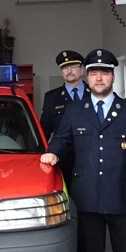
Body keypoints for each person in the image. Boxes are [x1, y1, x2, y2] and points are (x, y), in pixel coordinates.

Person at [41, 49, 126, 252]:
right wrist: (51, 154)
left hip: (124, 197)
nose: (98, 78)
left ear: (112, 77)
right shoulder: (75, 110)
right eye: (93, 73)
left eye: (104, 73)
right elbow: (62, 139)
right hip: (87, 194)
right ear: (87, 77)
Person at [40, 50, 90, 186]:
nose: (69, 71)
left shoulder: (94, 93)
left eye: (73, 66)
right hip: (62, 159)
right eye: (64, 67)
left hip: (90, 157)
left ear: (82, 69)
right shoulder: (52, 97)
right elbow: (45, 129)